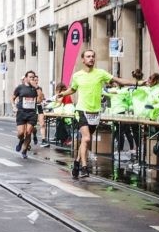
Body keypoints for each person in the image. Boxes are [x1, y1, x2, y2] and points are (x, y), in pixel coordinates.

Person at [59, 49, 137, 179]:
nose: (91, 58)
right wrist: (63, 93)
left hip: (95, 112)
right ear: (83, 60)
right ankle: (84, 168)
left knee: (85, 141)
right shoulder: (77, 75)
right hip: (82, 110)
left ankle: (77, 163)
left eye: (93, 56)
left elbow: (119, 81)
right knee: (87, 138)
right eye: (88, 56)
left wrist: (137, 83)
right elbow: (73, 89)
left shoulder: (101, 73)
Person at [12, 70, 39, 159]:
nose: (32, 79)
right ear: (26, 78)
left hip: (32, 113)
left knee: (28, 133)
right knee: (21, 133)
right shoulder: (20, 87)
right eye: (30, 77)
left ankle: (24, 151)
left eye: (33, 77)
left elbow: (40, 99)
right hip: (21, 112)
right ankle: (21, 140)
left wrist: (37, 88)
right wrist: (13, 106)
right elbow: (12, 97)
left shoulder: (36, 88)